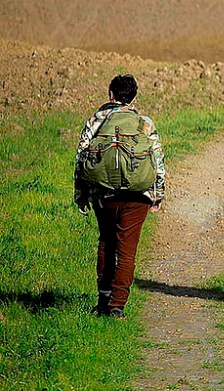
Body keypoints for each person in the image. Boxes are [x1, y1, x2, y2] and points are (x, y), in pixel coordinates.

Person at [75, 74, 166, 319]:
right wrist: (157, 194)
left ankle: (103, 301)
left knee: (106, 242)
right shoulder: (144, 123)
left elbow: (82, 157)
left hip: (104, 194)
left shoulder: (97, 119)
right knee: (127, 250)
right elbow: (157, 161)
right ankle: (117, 306)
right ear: (134, 97)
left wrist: (81, 194)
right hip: (138, 196)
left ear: (110, 95)